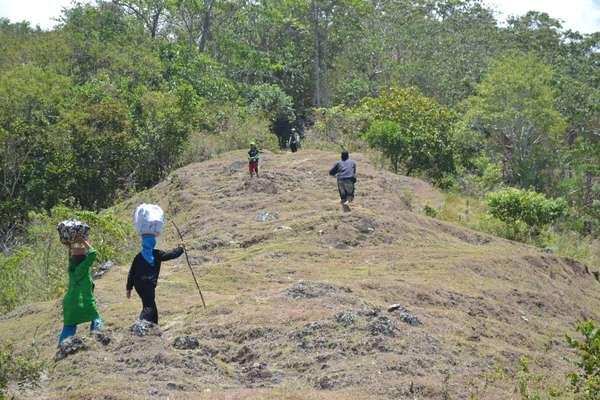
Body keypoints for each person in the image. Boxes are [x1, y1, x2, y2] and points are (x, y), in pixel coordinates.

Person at [126, 235, 184, 324]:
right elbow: (171, 254)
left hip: (138, 285)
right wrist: (180, 248)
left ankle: (154, 327)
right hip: (148, 284)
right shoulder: (156, 254)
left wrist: (129, 288)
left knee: (151, 305)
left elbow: (131, 272)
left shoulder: (138, 256)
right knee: (148, 306)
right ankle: (141, 326)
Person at [59, 239, 102, 346]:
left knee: (69, 327)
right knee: (96, 318)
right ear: (84, 259)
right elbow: (93, 253)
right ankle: (96, 336)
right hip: (83, 301)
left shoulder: (71, 269)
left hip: (69, 303)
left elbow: (71, 257)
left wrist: (71, 245)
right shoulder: (84, 267)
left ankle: (62, 346)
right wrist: (83, 240)